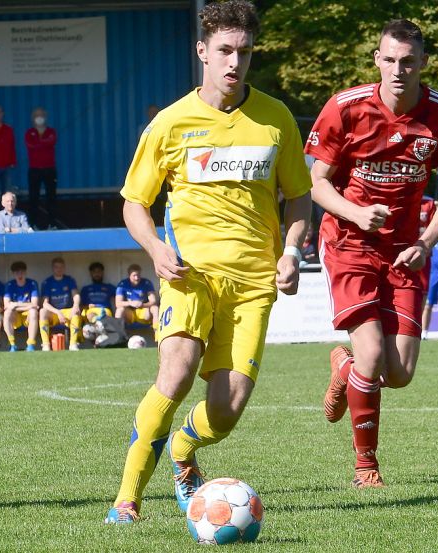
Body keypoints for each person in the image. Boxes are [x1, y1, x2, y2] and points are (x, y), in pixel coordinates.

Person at [105, 0, 312, 524]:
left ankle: (182, 448)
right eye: (223, 50)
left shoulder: (276, 119)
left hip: (252, 284)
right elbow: (134, 202)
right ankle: (126, 500)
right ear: (202, 51)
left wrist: (290, 252)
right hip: (188, 275)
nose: (233, 62)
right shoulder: (171, 123)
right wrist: (155, 249)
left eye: (243, 52)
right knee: (174, 376)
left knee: (227, 409)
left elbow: (300, 197)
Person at [306, 19, 438, 488]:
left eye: (409, 61)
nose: (399, 70)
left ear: (423, 63)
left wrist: (424, 242)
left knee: (399, 375)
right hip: (349, 241)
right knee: (373, 354)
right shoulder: (345, 108)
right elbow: (317, 184)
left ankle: (343, 365)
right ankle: (366, 466)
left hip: (405, 251)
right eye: (390, 60)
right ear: (377, 59)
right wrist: (356, 214)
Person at [39, 257, 82, 351]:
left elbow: (76, 295)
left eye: (61, 267)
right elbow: (45, 303)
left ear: (64, 268)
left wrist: (76, 305)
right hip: (54, 312)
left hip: (67, 311)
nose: (59, 269)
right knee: (42, 312)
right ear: (52, 268)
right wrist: (58, 312)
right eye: (56, 267)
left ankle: (73, 344)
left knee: (75, 312)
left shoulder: (69, 280)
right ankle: (46, 345)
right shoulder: (47, 282)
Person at [25, 107, 58, 229]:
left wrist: (39, 143)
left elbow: (51, 142)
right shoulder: (29, 133)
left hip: (50, 169)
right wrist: (43, 143)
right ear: (33, 118)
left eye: (41, 115)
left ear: (45, 117)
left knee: (51, 198)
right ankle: (32, 224)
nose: (39, 118)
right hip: (34, 169)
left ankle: (52, 224)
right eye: (37, 115)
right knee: (33, 198)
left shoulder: (51, 131)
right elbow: (31, 145)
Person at [2, 260, 39, 352]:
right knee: (7, 313)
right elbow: (7, 305)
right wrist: (27, 305)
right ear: (13, 274)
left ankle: (30, 344)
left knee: (33, 312)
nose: (20, 275)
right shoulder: (9, 285)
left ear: (25, 272)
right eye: (17, 272)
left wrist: (16, 304)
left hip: (27, 315)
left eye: (22, 272)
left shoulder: (32, 284)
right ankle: (12, 344)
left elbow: (35, 305)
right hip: (15, 315)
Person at [114, 264, 159, 332]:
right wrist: (131, 303)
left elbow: (153, 301)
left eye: (138, 275)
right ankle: (118, 334)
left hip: (143, 311)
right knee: (119, 310)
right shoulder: (123, 284)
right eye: (134, 275)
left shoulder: (146, 283)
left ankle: (157, 332)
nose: (136, 278)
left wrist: (144, 305)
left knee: (155, 308)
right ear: (129, 275)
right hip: (130, 313)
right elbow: (118, 303)